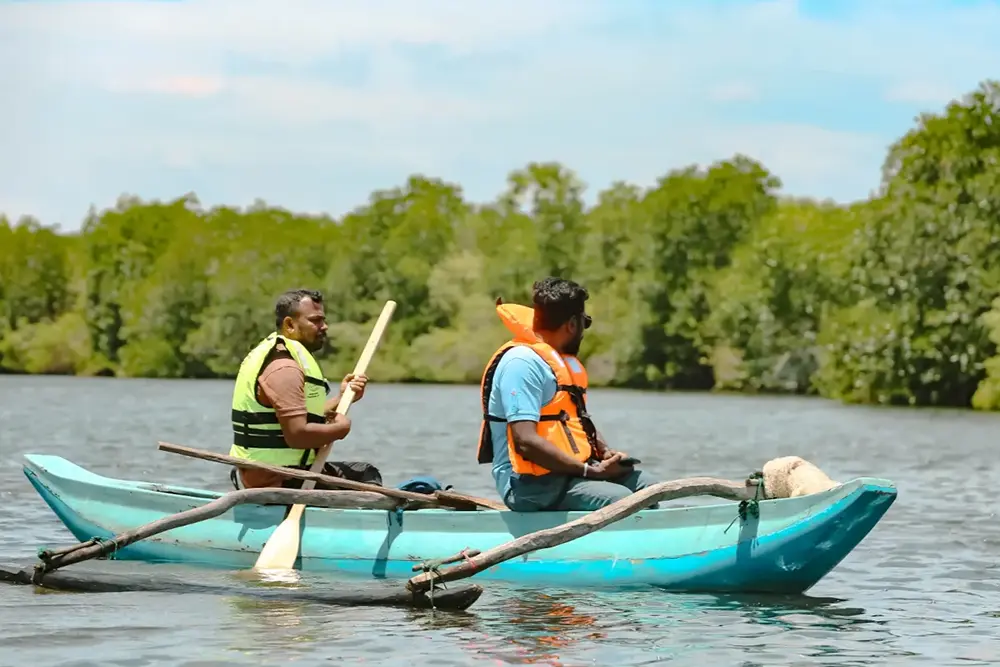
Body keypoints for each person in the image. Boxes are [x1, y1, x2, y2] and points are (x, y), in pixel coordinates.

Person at [477, 277, 656, 512]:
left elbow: (572, 422)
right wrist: (590, 472)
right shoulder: (521, 364)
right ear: (572, 324)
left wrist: (603, 453)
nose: (584, 330)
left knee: (651, 488)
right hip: (528, 485)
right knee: (623, 500)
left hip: (570, 473)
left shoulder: (561, 364)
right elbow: (525, 442)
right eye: (585, 322)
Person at [229, 288, 383, 490]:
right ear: (290, 324)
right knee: (366, 475)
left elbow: (302, 416)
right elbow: (298, 435)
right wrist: (340, 429)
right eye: (315, 320)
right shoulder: (284, 368)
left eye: (323, 320)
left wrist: (341, 398)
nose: (324, 327)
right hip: (276, 479)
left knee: (361, 471)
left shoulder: (282, 355)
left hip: (275, 473)